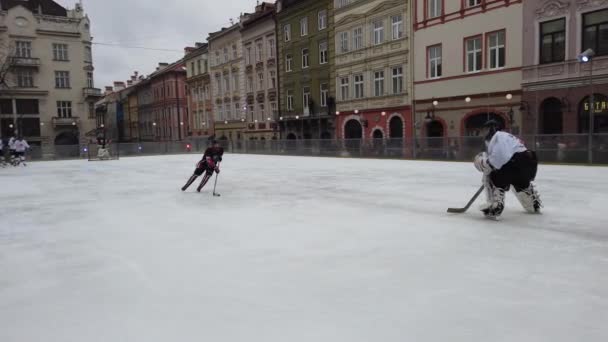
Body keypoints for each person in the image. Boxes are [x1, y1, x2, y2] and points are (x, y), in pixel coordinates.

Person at [473, 120, 542, 219]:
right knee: (520, 183)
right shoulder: (509, 137)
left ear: (493, 128)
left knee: (490, 173)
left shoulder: (498, 136)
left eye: (486, 130)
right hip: (528, 163)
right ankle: (532, 204)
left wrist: (484, 164)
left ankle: (494, 205)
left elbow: (500, 157)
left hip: (513, 163)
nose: (484, 133)